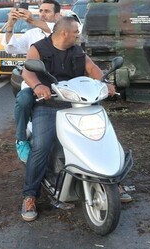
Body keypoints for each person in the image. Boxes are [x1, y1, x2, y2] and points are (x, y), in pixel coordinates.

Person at [20, 17, 129, 222]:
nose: (78, 35)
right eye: (76, 32)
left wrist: (104, 83)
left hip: (79, 104)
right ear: (64, 33)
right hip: (49, 105)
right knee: (42, 146)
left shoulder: (77, 51)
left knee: (104, 137)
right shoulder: (39, 48)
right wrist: (38, 86)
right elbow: (28, 71)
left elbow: (92, 68)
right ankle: (29, 195)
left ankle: (114, 180)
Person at [3, 0, 61, 163]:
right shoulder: (32, 34)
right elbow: (10, 48)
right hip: (35, 82)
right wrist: (10, 24)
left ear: (57, 14)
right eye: (41, 11)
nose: (43, 14)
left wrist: (31, 20)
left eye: (47, 11)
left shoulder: (62, 30)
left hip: (61, 82)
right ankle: (21, 139)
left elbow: (54, 31)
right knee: (23, 99)